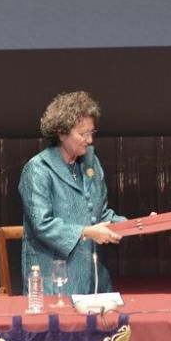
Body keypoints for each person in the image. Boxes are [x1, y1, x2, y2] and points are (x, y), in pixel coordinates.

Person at [18, 91, 125, 295]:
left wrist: (138, 225)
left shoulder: (92, 164)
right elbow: (42, 225)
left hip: (92, 277)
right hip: (53, 281)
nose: (90, 140)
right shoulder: (38, 169)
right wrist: (87, 232)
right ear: (62, 132)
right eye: (82, 134)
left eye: (92, 132)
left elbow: (100, 216)